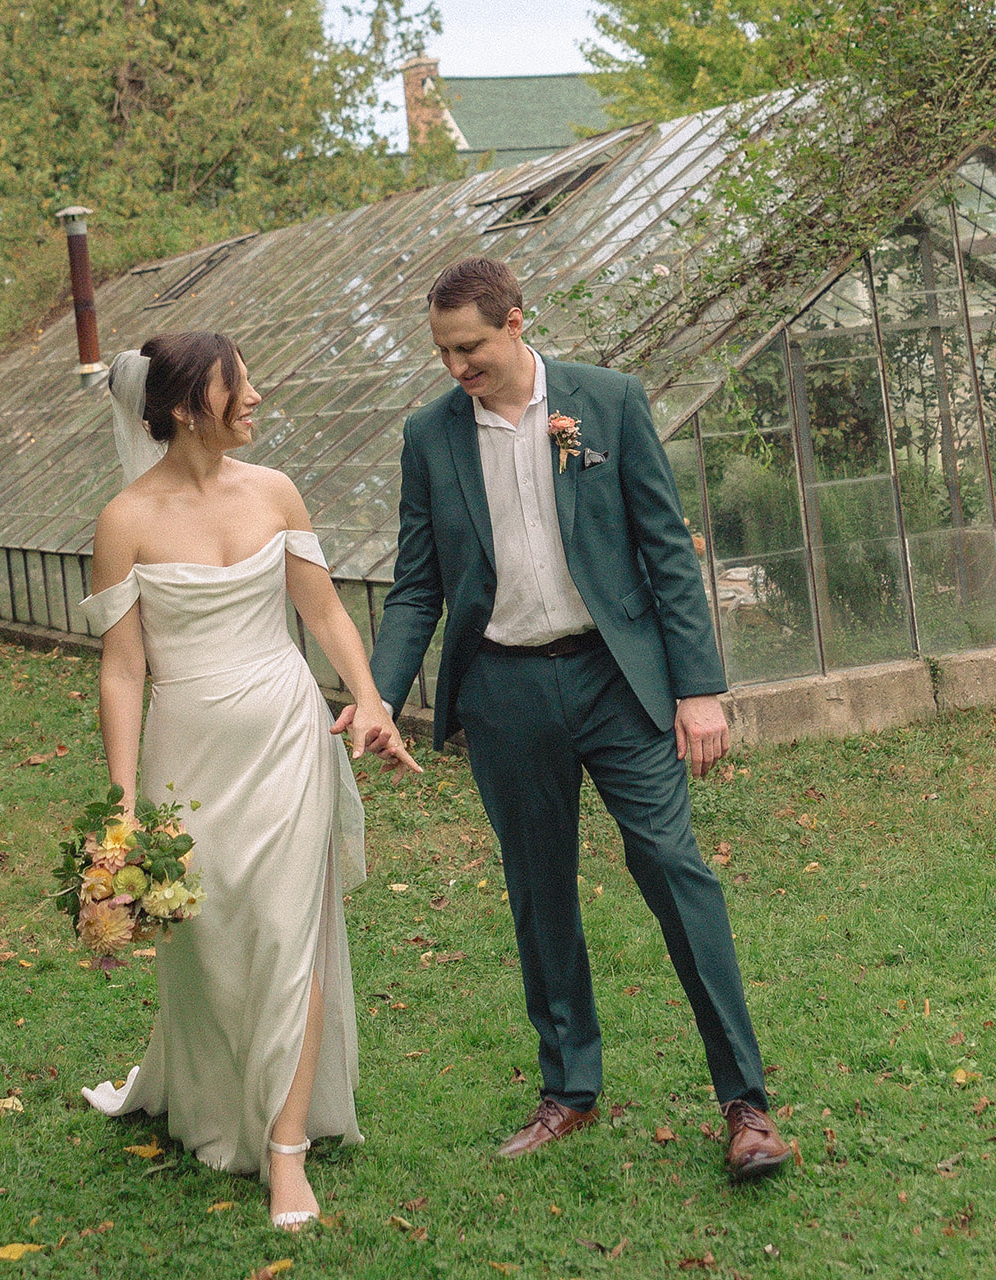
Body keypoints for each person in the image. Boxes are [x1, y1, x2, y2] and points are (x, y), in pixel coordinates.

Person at [368, 258, 790, 1182]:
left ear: (517, 323)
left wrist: (698, 687)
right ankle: (570, 1091)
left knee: (673, 868)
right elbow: (417, 586)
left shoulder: (609, 401)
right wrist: (376, 694)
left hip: (616, 678)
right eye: (442, 353)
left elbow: (666, 553)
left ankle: (746, 1102)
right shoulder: (429, 436)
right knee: (539, 889)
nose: (456, 369)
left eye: (470, 347)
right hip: (504, 691)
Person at [78, 332, 419, 1231]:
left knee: (286, 929)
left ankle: (287, 1150)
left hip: (285, 737)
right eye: (241, 384)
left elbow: (324, 609)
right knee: (215, 938)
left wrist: (372, 698)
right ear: (189, 404)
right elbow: (122, 669)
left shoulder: (275, 493)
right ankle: (222, 1096)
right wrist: (121, 807)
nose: (259, 396)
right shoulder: (127, 520)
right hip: (188, 758)